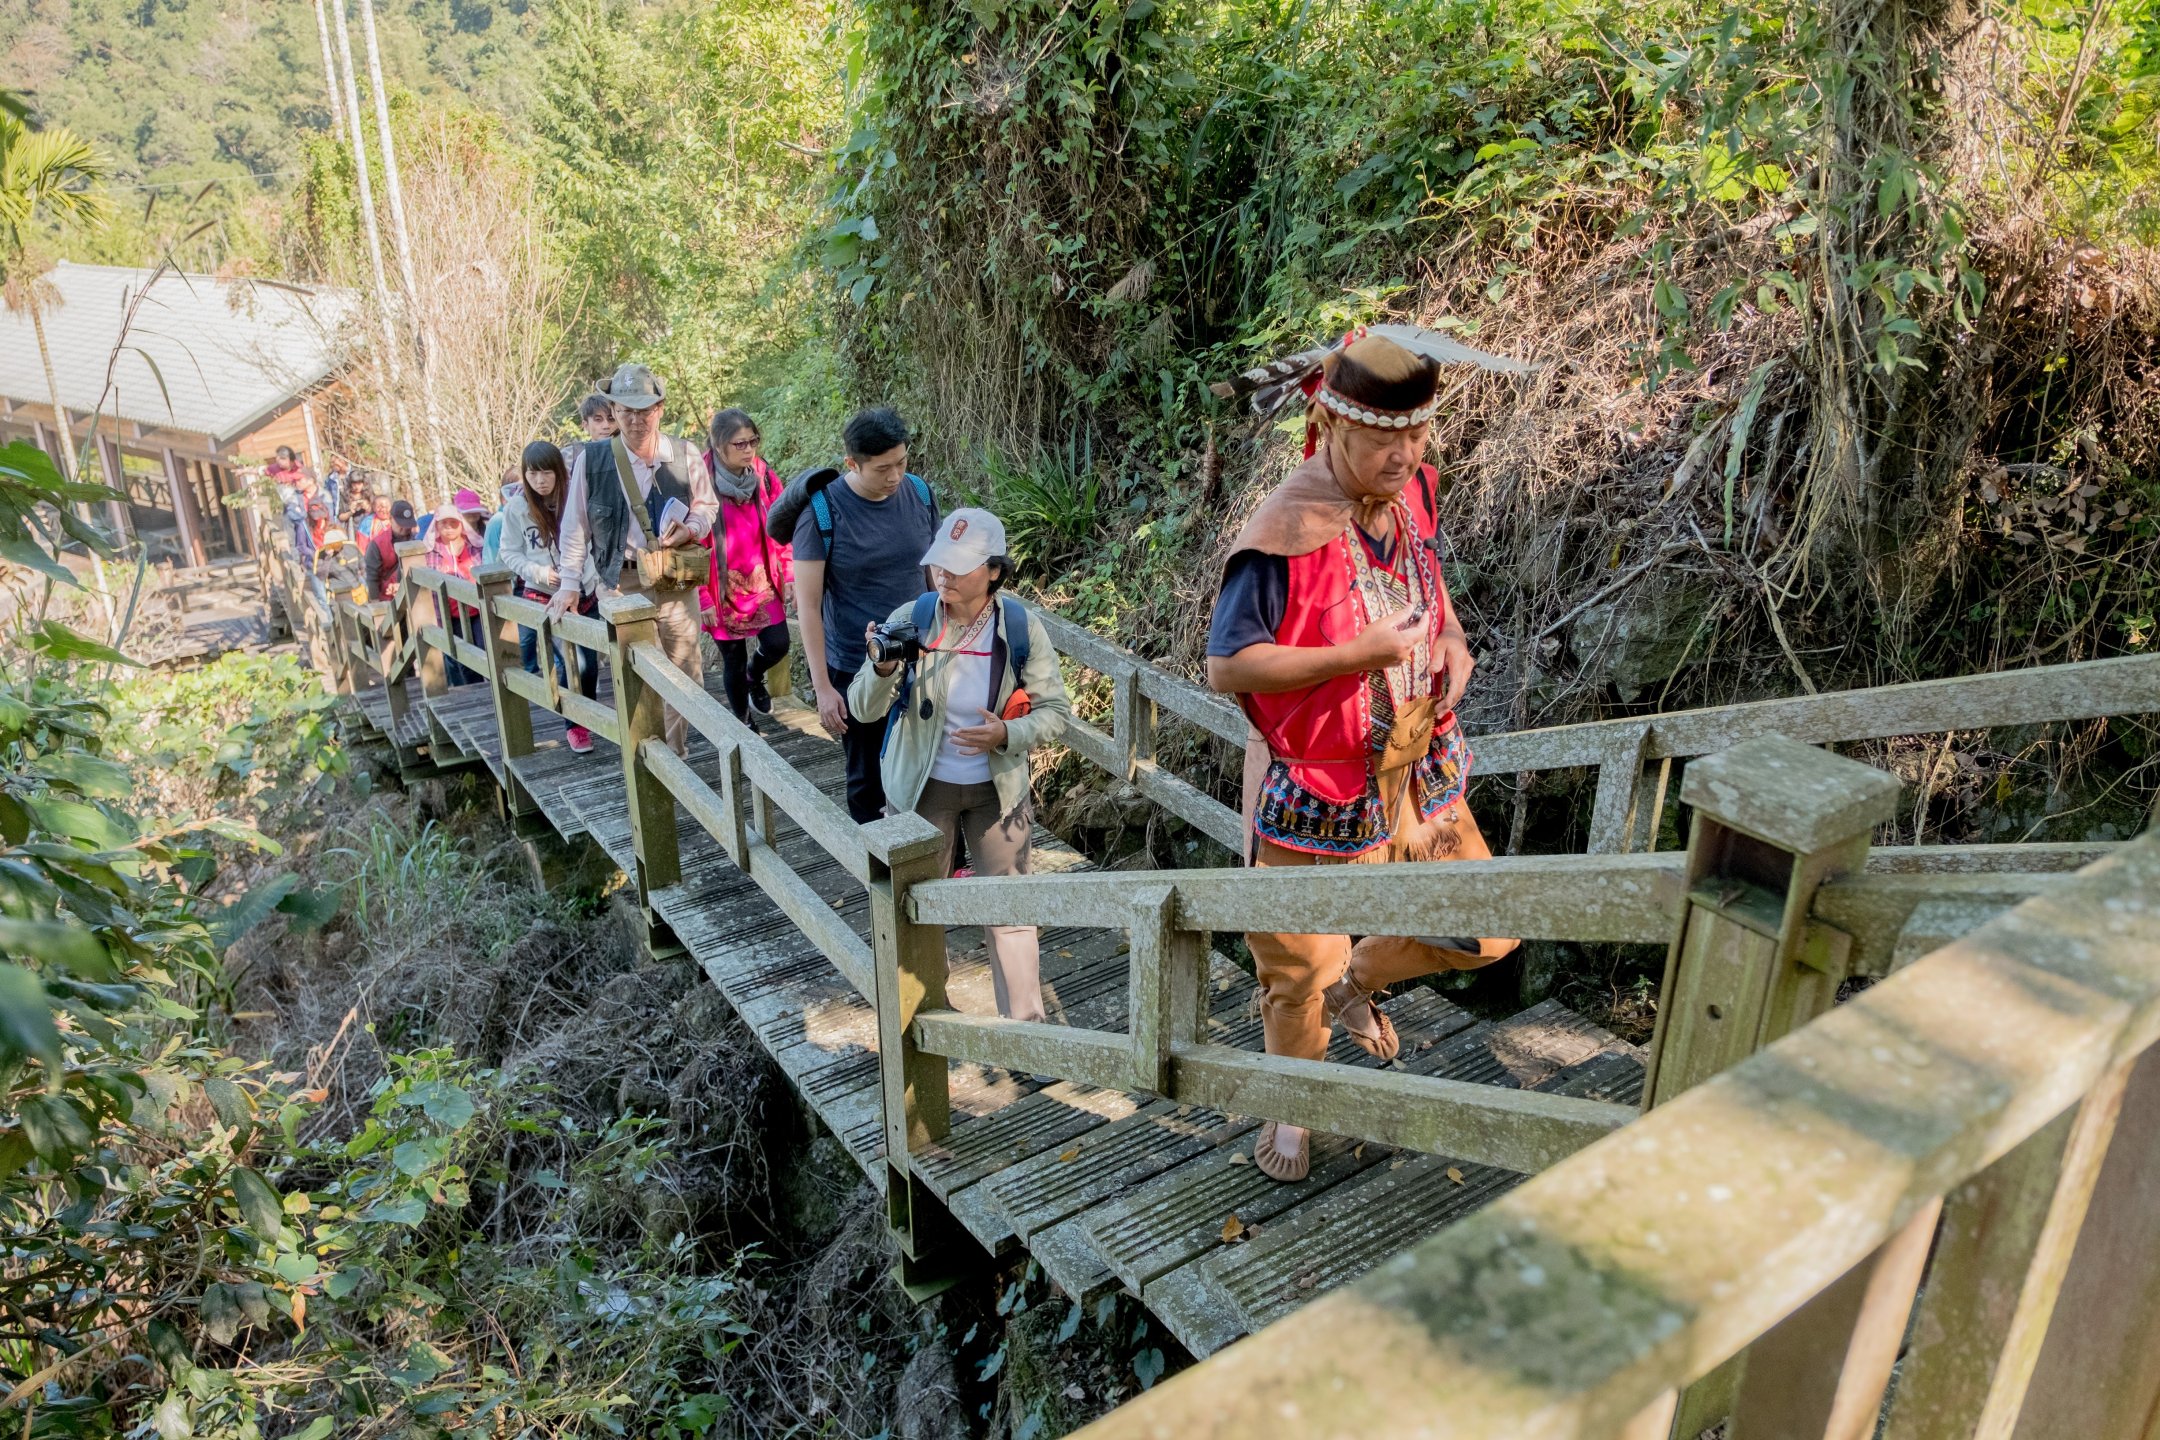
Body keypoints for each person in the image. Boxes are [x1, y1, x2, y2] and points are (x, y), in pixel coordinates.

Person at [1205, 328, 1519, 1183]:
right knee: (1295, 968)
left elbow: (1433, 590)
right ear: (1332, 425)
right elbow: (1227, 663)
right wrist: (1356, 657)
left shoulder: (1414, 489)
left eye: (1416, 435)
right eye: (1384, 438)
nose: (1404, 454)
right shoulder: (1284, 527)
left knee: (1486, 928)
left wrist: (1451, 641)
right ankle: (1294, 1103)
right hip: (1315, 779)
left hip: (1415, 763)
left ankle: (1357, 985)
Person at [848, 508, 1068, 1022]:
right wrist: (882, 667)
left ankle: (1027, 1033)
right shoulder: (914, 615)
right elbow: (862, 708)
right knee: (920, 909)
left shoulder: (1018, 628)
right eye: (938, 564)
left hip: (997, 792)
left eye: (958, 566)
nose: (943, 576)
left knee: (1010, 913)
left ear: (993, 570)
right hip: (922, 790)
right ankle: (925, 1017)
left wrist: (1007, 733)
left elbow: (1056, 713)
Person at [548, 363, 719, 755]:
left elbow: (707, 507)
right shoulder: (592, 460)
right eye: (625, 410)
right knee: (638, 671)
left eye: (644, 410)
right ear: (613, 410)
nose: (635, 419)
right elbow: (576, 526)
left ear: (659, 408)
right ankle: (649, 754)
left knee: (687, 671)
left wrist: (691, 527)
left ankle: (673, 755)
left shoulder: (684, 453)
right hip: (620, 581)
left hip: (674, 577)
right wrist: (570, 583)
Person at [793, 407, 940, 821]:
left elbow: (932, 572)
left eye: (901, 463)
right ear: (852, 464)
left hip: (923, 654)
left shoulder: (920, 493)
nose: (895, 477)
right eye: (882, 469)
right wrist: (823, 688)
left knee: (933, 765)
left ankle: (942, 871)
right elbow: (807, 605)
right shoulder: (822, 514)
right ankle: (879, 876)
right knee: (867, 777)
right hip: (857, 666)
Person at [502, 441, 604, 754]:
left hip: (582, 590)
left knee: (590, 664)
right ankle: (574, 726)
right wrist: (540, 573)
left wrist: (586, 576)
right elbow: (509, 552)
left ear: (559, 471)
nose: (541, 480)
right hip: (544, 594)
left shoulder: (576, 499)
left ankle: (589, 716)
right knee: (571, 661)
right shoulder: (517, 509)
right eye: (533, 473)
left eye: (547, 472)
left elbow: (593, 542)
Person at [699, 408, 793, 725]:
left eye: (752, 441)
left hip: (762, 580)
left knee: (779, 643)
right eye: (740, 444)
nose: (749, 449)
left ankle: (756, 676)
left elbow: (784, 525)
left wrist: (789, 572)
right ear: (718, 445)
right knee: (732, 659)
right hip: (720, 589)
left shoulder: (762, 475)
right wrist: (702, 598)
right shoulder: (698, 480)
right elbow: (687, 546)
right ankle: (743, 722)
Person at [423, 504, 484, 685]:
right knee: (463, 657)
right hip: (450, 615)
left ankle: (491, 690)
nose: (449, 527)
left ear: (461, 524)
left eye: (453, 523)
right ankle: (474, 693)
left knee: (484, 650)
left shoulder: (475, 547)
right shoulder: (430, 552)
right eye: (444, 524)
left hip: (477, 611)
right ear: (437, 526)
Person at [363, 498, 419, 602]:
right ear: (391, 518)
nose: (405, 528)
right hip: (388, 599)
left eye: (407, 524)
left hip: (415, 596)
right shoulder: (377, 544)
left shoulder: (418, 540)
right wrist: (376, 602)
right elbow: (372, 577)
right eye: (400, 524)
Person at [314, 527, 365, 605]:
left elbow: (364, 566)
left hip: (358, 589)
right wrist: (327, 559)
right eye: (333, 544)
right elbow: (320, 576)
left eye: (338, 543)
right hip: (338, 593)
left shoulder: (352, 547)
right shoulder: (321, 554)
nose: (336, 545)